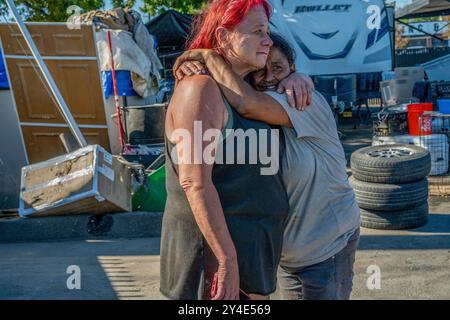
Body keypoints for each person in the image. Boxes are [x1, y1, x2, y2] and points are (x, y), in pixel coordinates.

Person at [174, 33, 361, 300]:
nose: (270, 77)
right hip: (287, 253)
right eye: (260, 71)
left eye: (279, 68)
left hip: (327, 245)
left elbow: (246, 103)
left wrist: (208, 57)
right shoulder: (258, 113)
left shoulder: (303, 100)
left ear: (293, 68)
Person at [160, 0, 313, 301]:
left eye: (268, 32)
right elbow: (194, 182)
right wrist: (227, 260)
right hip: (213, 262)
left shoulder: (250, 91)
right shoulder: (200, 88)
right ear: (223, 37)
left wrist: (296, 77)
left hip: (254, 256)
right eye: (257, 32)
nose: (268, 42)